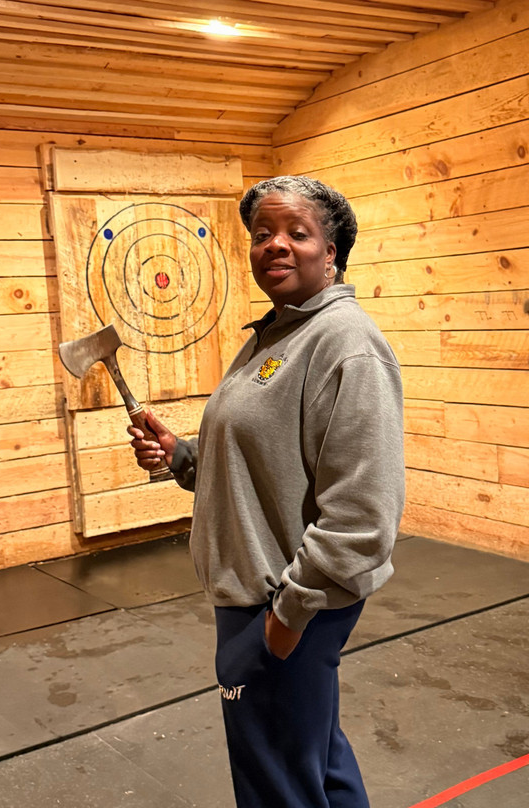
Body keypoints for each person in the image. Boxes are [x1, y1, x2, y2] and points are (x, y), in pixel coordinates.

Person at [128, 175, 404, 807]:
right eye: (261, 235)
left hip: (283, 598)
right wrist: (184, 457)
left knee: (275, 784)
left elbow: (364, 513)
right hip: (257, 592)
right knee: (315, 761)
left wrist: (287, 617)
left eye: (296, 233)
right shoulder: (273, 335)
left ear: (331, 251)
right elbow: (262, 459)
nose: (275, 245)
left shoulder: (347, 344)